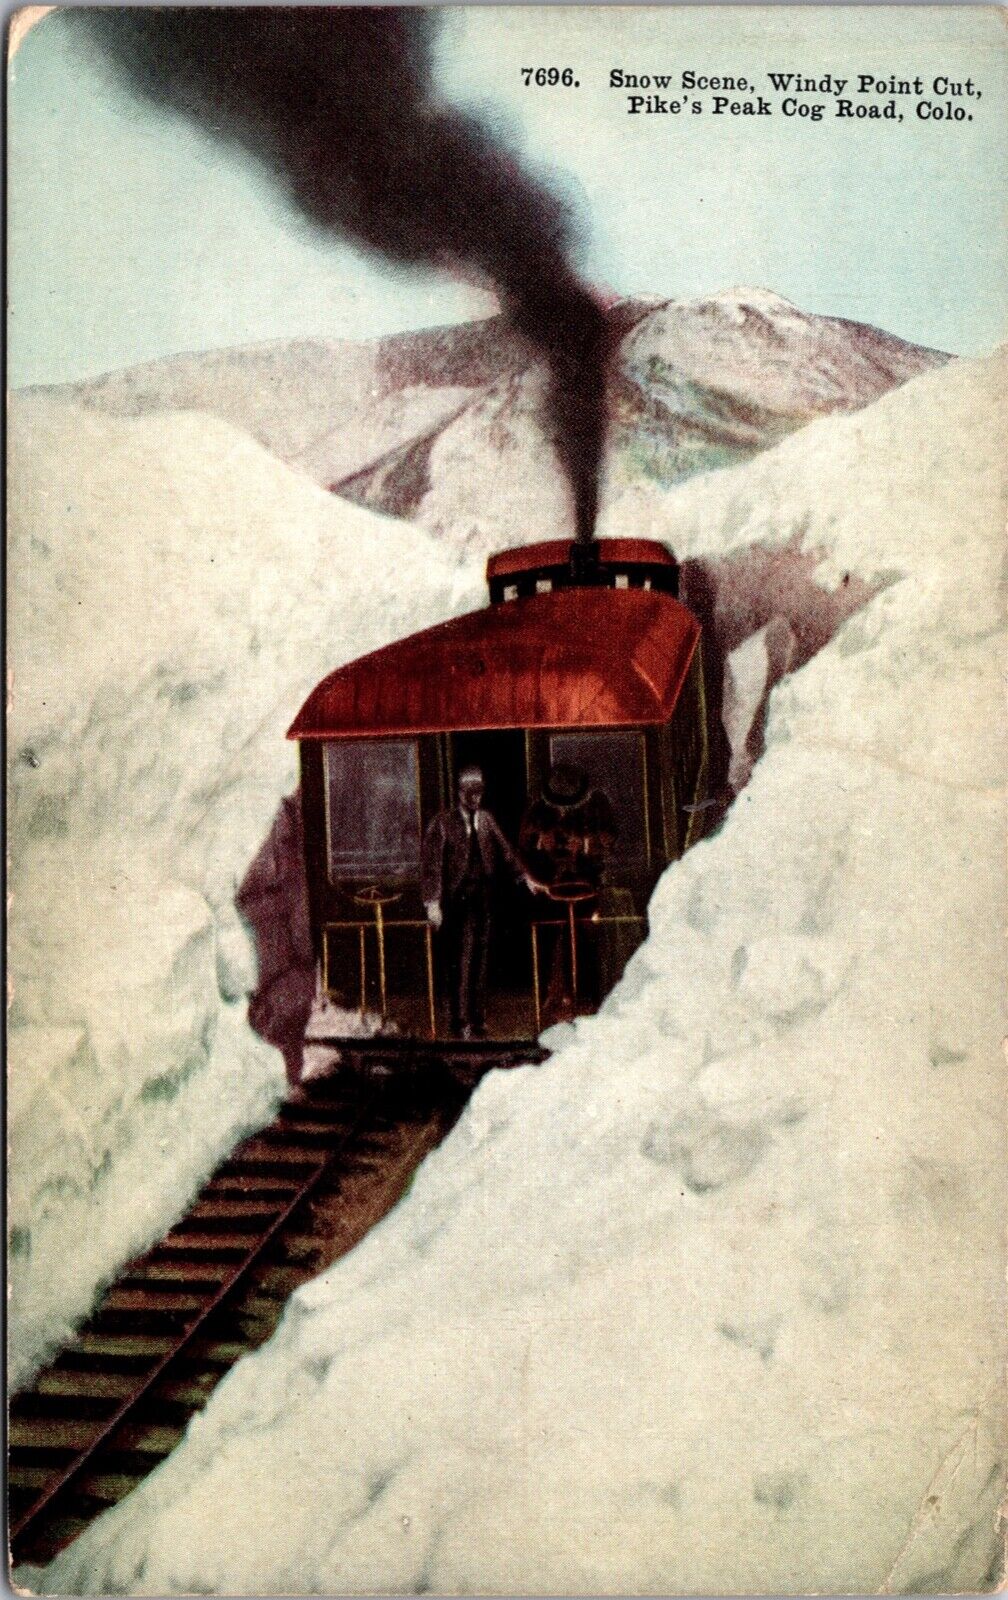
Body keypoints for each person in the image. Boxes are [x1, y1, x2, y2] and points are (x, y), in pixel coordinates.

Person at [422, 766, 538, 1040]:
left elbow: (506, 851)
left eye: (480, 793)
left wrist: (524, 876)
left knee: (481, 960)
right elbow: (432, 866)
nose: (476, 798)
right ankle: (460, 1022)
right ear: (460, 793)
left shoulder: (486, 820)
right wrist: (433, 903)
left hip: (483, 899)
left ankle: (477, 1019)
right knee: (461, 961)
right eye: (470, 793)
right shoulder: (443, 823)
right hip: (456, 901)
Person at [519, 762, 618, 1022]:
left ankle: (589, 1000)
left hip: (585, 889)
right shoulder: (539, 808)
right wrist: (542, 842)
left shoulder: (596, 805)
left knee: (587, 943)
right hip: (550, 890)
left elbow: (609, 839)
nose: (562, 810)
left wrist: (584, 844)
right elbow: (524, 843)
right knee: (549, 942)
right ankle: (551, 999)